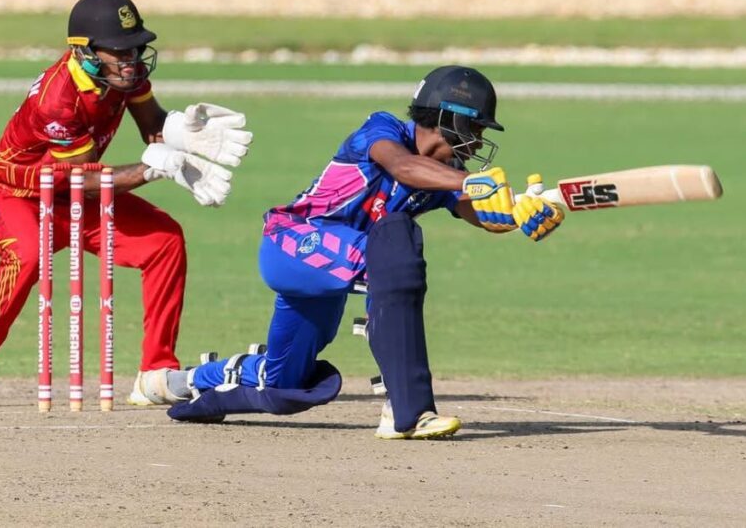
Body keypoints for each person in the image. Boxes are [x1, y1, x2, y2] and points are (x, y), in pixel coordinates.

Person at [143, 65, 565, 439]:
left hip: (334, 273)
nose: (476, 144)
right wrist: (469, 185)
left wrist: (519, 214)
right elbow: (401, 167)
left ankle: (183, 383)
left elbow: (480, 213)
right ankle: (406, 409)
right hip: (292, 243)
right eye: (474, 130)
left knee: (284, 386)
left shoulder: (446, 177)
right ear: (446, 119)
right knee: (397, 241)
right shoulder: (382, 130)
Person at [0, 0, 253, 407]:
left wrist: (185, 132)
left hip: (67, 190)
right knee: (28, 255)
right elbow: (84, 179)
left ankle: (155, 373)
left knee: (164, 241)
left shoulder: (124, 76)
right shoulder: (58, 98)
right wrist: (152, 169)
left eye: (136, 48)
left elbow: (154, 126)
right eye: (120, 51)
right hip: (9, 193)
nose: (132, 60)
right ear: (85, 52)